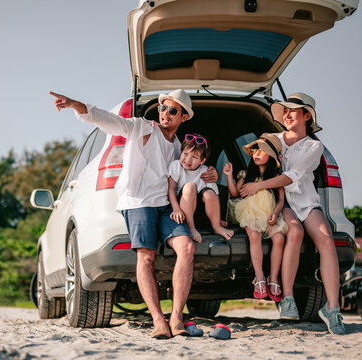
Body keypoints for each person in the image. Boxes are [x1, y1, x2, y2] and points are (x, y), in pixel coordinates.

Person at [50, 89, 218, 339]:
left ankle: (176, 318)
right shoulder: (141, 127)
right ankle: (159, 321)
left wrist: (210, 175)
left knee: (187, 249)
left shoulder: (178, 148)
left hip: (166, 206)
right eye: (163, 108)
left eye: (173, 110)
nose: (165, 113)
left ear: (183, 117)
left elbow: (188, 175)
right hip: (138, 202)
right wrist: (78, 106)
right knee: (146, 257)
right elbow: (108, 120)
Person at [239, 92, 345, 334]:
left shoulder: (314, 146)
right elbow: (255, 161)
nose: (286, 115)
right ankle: (287, 299)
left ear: (306, 115)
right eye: (284, 111)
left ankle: (333, 308)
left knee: (327, 241)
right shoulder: (272, 140)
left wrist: (258, 185)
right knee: (294, 231)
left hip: (307, 203)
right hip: (281, 202)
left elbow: (291, 177)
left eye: (293, 111)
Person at [224, 133, 287, 301]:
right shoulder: (246, 174)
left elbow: (281, 200)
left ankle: (273, 277)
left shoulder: (275, 176)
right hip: (249, 210)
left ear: (272, 156)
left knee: (279, 238)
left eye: (262, 151)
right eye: (255, 151)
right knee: (254, 235)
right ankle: (259, 277)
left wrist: (276, 213)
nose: (257, 154)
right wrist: (229, 176)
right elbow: (235, 193)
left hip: (269, 213)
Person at [168, 134, 234, 242]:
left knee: (209, 193)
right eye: (185, 153)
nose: (188, 160)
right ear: (181, 152)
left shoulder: (206, 171)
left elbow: (214, 196)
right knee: (190, 186)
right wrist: (175, 209)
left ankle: (216, 226)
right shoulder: (176, 166)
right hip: (182, 212)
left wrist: (218, 219)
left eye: (194, 157)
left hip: (200, 214)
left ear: (202, 160)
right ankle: (190, 227)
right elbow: (171, 189)